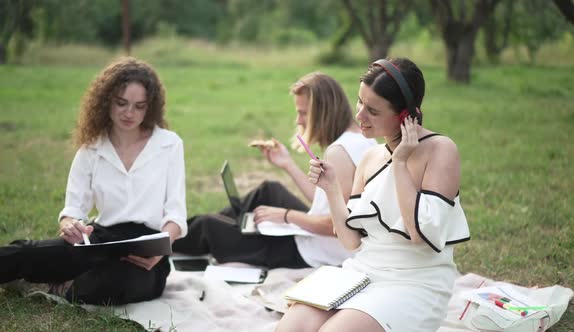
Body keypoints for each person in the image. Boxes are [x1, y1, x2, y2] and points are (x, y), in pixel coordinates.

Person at [276, 58, 471, 332]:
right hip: (362, 271)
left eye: (373, 111)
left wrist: (401, 163)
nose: (359, 116)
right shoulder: (370, 157)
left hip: (413, 282)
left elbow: (420, 235)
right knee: (288, 329)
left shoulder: (440, 150)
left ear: (404, 116)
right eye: (359, 102)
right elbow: (351, 241)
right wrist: (331, 189)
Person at [0, 57, 187, 305]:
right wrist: (69, 225)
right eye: (121, 103)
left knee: (110, 283)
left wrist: (160, 250)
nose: (129, 113)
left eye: (139, 106)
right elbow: (73, 210)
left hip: (145, 253)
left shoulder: (169, 144)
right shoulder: (92, 149)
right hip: (99, 241)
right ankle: (50, 276)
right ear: (106, 100)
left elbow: (175, 213)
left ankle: (57, 284)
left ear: (149, 107)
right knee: (27, 252)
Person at [173, 72, 376, 269]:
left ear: (322, 112)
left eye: (303, 113)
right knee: (269, 190)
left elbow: (337, 225)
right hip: (319, 241)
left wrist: (287, 216)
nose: (298, 120)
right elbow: (327, 201)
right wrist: (287, 163)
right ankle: (235, 228)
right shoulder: (360, 140)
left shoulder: (339, 152)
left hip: (310, 253)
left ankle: (160, 245)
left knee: (208, 226)